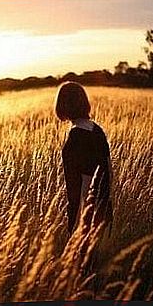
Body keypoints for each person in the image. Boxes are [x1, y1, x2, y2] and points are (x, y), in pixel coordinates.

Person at [55, 81, 113, 236]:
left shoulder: (76, 138)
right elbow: (109, 171)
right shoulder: (97, 130)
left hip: (85, 219)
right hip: (104, 211)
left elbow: (82, 185)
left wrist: (76, 225)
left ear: (63, 105)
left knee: (82, 260)